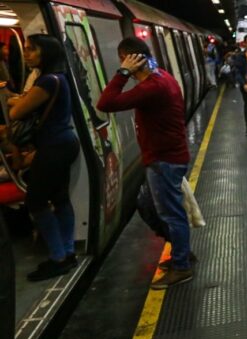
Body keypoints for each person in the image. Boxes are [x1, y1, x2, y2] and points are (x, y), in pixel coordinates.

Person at [96, 37, 193, 289]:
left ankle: (182, 266)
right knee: (156, 207)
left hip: (164, 160)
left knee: (171, 214)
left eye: (124, 60)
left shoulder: (153, 87)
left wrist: (122, 73)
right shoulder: (162, 77)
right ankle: (182, 255)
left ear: (129, 58)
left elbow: (105, 104)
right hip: (166, 157)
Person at [6, 34, 79, 281]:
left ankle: (58, 257)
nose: (26, 54)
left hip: (52, 147)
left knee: (36, 203)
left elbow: (16, 112)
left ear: (45, 53)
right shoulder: (60, 78)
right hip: (64, 144)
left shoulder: (47, 81)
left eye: (31, 50)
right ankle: (68, 253)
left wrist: (16, 101)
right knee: (60, 199)